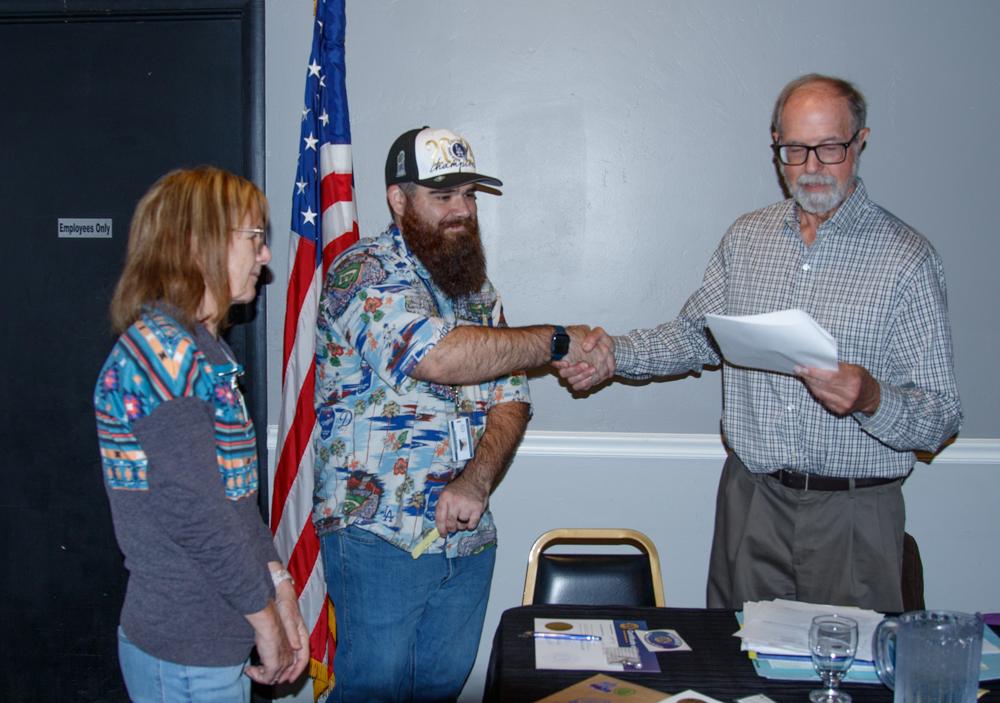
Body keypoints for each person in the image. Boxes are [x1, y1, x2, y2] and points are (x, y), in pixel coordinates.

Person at [561, 74, 961, 613]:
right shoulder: (746, 239)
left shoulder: (907, 260)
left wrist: (870, 398)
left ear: (861, 141)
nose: (812, 167)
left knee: (847, 685)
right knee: (736, 672)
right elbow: (693, 336)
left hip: (853, 514)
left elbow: (940, 417)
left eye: (831, 148)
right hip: (749, 503)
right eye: (795, 149)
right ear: (775, 145)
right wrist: (613, 354)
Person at [313, 126, 600, 702]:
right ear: (399, 199)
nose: (462, 210)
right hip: (380, 540)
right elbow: (438, 357)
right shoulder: (359, 273)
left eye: (468, 195)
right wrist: (558, 340)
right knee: (375, 693)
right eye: (443, 196)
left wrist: (477, 479)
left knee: (443, 690)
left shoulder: (476, 289)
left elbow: (511, 395)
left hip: (467, 540)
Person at [94, 167, 310, 700]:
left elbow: (234, 503)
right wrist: (264, 623)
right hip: (185, 647)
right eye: (254, 238)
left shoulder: (201, 352)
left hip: (212, 640)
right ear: (197, 243)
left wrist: (279, 589)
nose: (265, 256)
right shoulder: (160, 356)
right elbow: (196, 514)